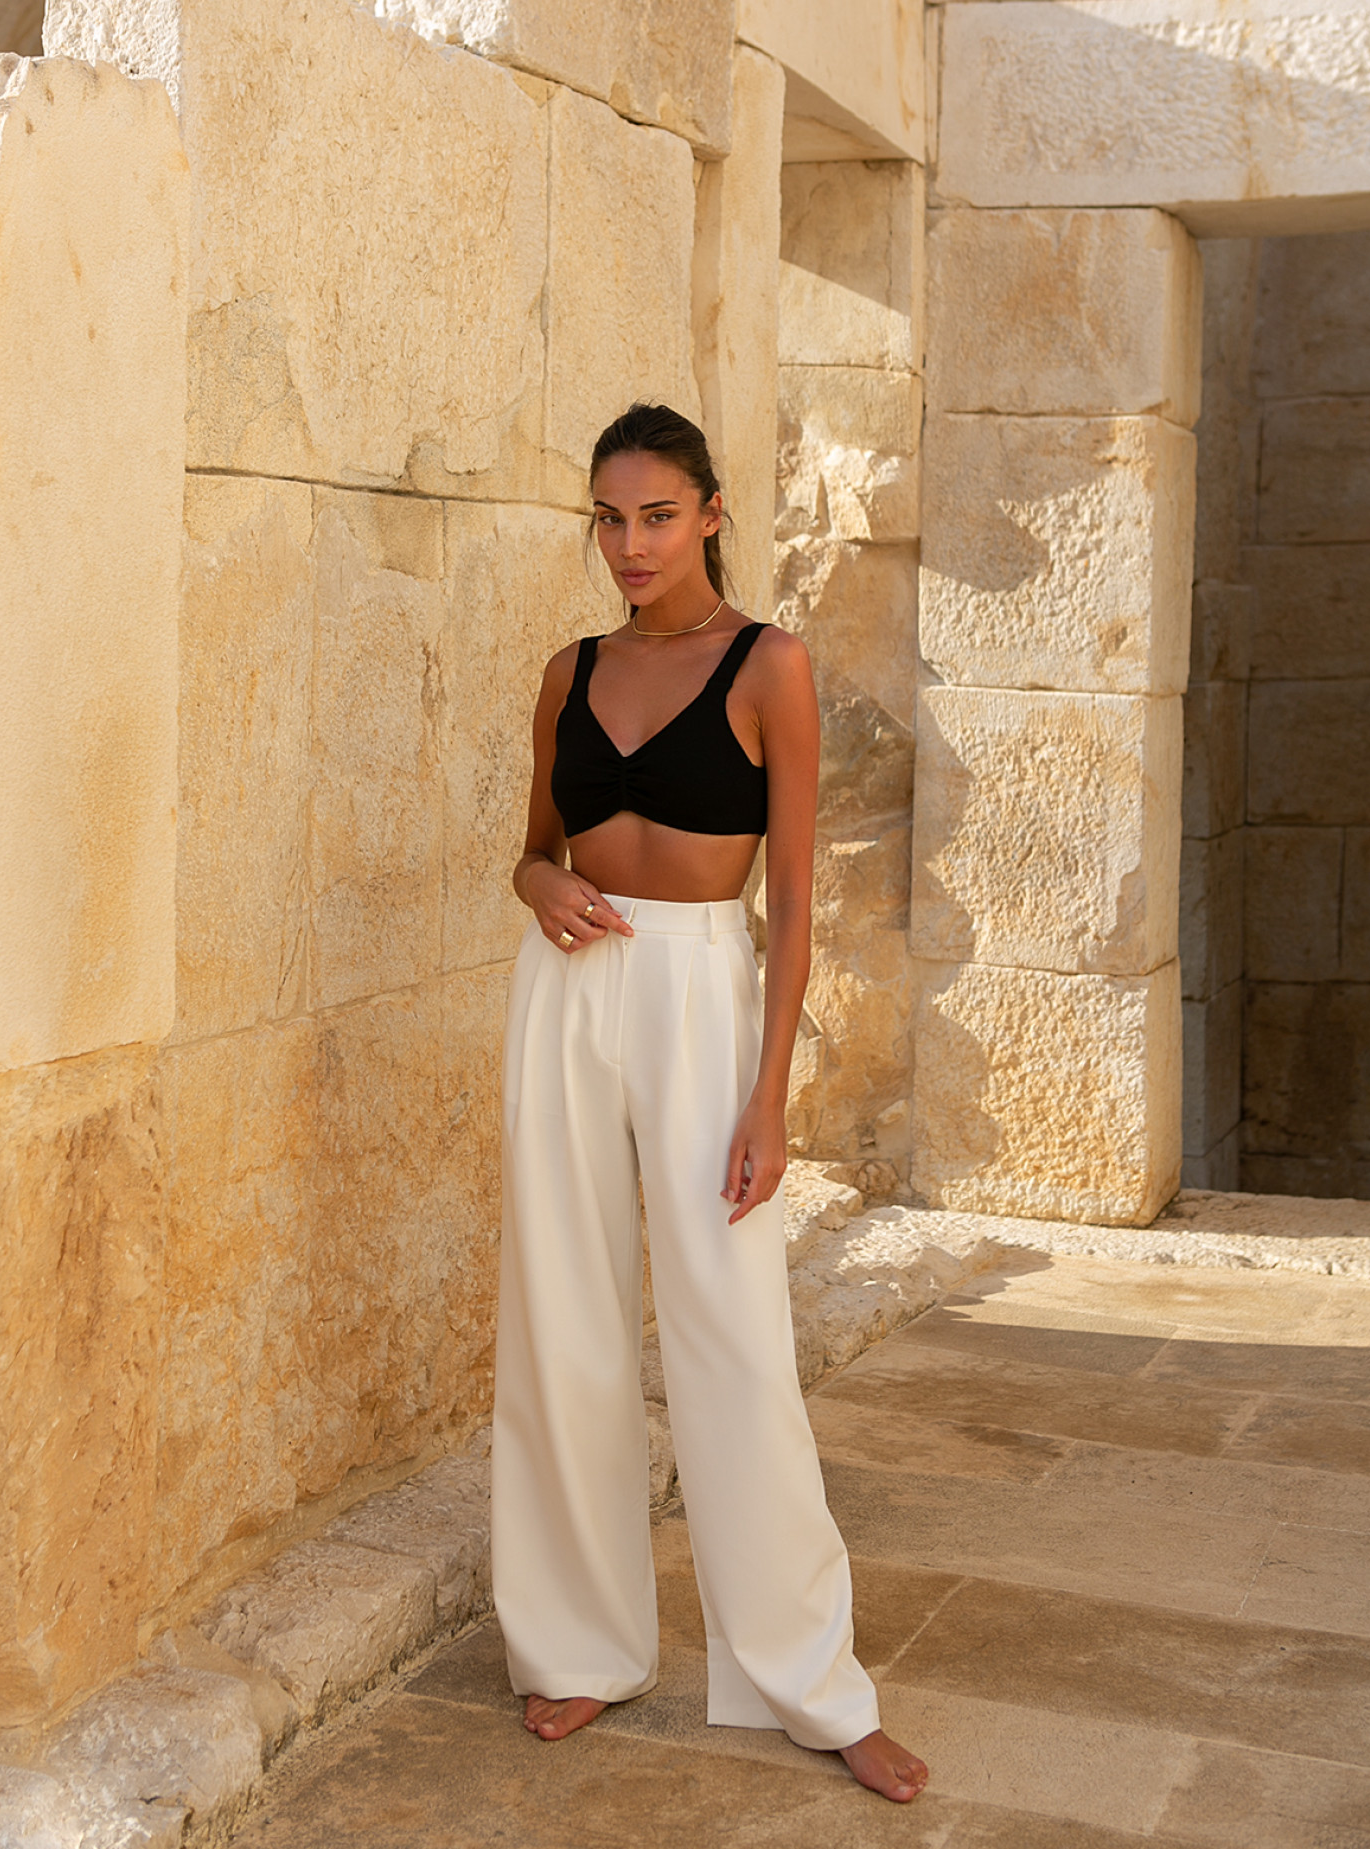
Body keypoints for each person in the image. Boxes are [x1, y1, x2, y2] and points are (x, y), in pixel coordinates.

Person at [490, 403, 928, 1804]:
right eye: (609, 518)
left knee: (734, 1336)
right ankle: (580, 1643)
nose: (630, 544)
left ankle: (810, 1682)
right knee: (560, 1318)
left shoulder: (768, 666)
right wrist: (539, 883)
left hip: (699, 993)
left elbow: (793, 899)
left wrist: (771, 1096)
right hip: (566, 990)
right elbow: (533, 847)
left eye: (658, 515)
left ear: (713, 514)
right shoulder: (568, 672)